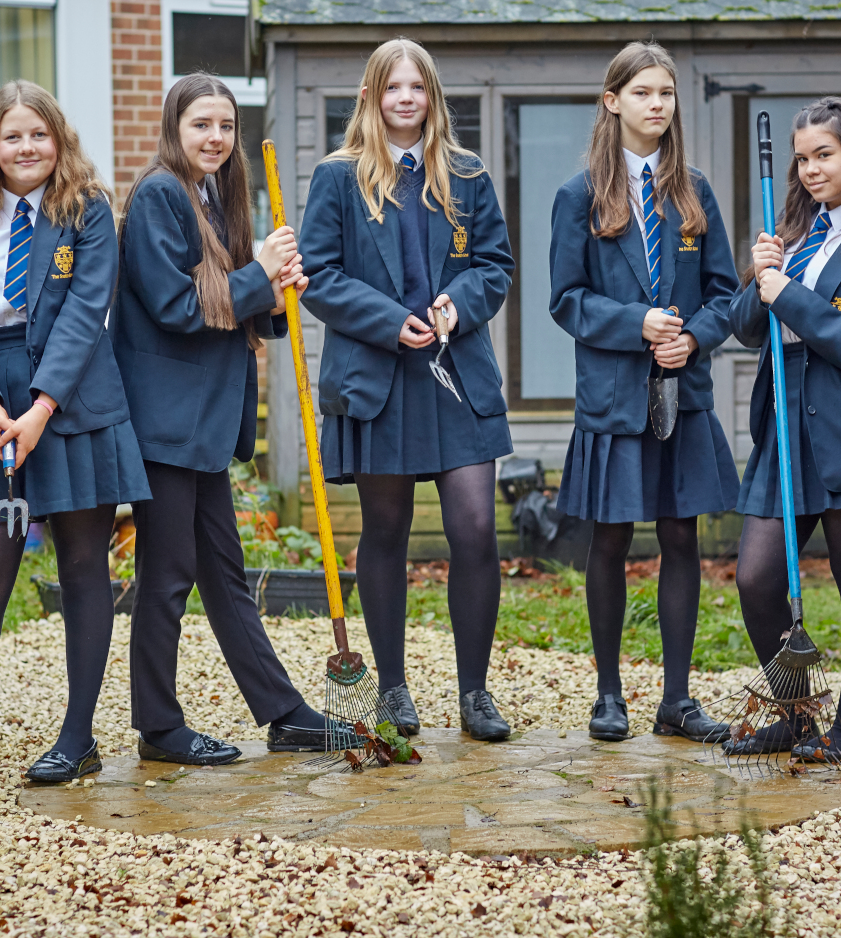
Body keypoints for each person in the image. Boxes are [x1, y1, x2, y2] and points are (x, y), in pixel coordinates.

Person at [0, 80, 150, 790]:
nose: (27, 147)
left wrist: (40, 408)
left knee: (85, 568)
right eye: (12, 136)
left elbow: (88, 313)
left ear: (59, 141)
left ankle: (78, 737)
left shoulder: (87, 211)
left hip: (74, 401)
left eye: (39, 134)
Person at [114, 73, 335, 765]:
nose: (215, 137)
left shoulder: (219, 198)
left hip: (202, 424)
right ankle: (159, 728)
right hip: (167, 423)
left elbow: (237, 307)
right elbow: (177, 308)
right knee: (168, 574)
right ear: (174, 129)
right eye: (200, 124)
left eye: (225, 126)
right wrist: (257, 275)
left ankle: (284, 713)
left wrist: (275, 290)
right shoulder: (157, 196)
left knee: (224, 574)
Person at [299, 38, 516, 742]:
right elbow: (320, 278)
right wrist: (392, 322)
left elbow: (495, 266)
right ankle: (392, 689)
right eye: (391, 87)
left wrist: (456, 305)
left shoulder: (469, 174)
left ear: (431, 96)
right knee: (386, 531)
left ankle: (475, 691)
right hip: (378, 376)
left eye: (416, 87)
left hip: (456, 376)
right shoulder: (337, 178)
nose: (404, 99)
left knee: (474, 529)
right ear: (370, 95)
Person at [547, 41, 740, 743]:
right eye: (643, 93)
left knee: (680, 539)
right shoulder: (579, 197)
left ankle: (678, 700)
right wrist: (637, 322)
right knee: (609, 541)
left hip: (680, 395)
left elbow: (725, 295)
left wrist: (693, 338)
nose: (657, 104)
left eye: (666, 93)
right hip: (614, 397)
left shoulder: (694, 191)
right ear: (613, 102)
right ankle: (608, 695)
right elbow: (565, 300)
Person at [727, 97, 841, 762]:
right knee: (754, 576)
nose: (810, 170)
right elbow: (748, 326)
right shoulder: (795, 237)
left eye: (824, 155)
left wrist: (790, 296)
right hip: (788, 430)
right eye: (802, 158)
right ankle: (798, 715)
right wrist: (762, 273)